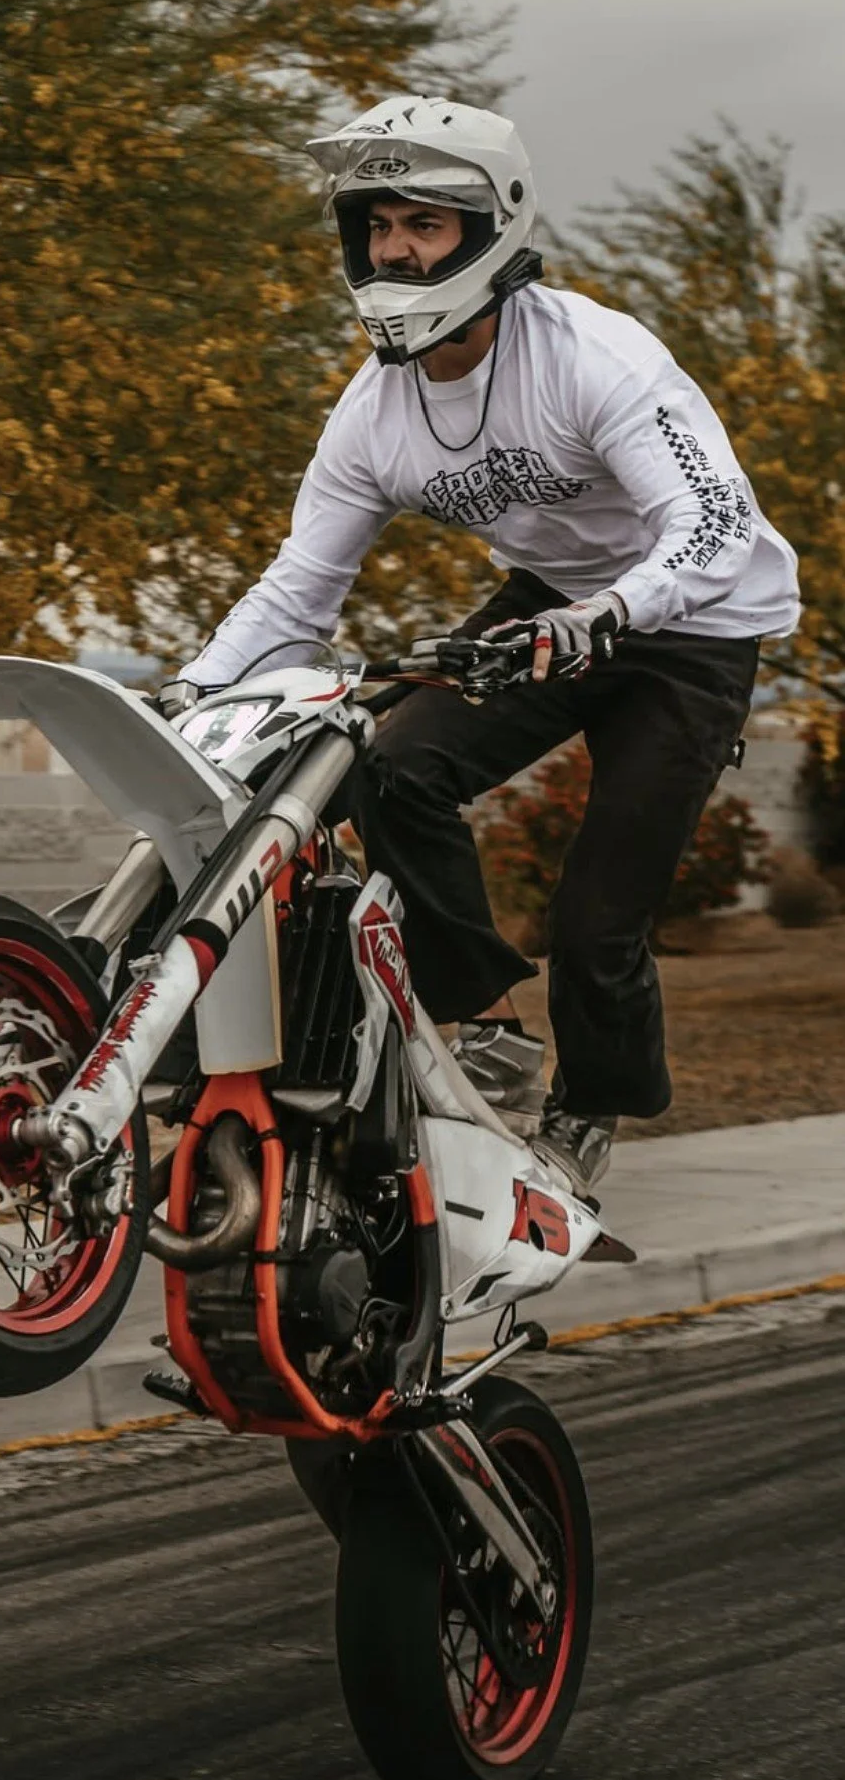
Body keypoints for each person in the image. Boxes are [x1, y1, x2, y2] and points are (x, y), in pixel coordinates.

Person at [175, 95, 800, 1196]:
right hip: (553, 601)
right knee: (388, 765)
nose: (395, 248)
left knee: (598, 919)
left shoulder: (597, 357)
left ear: (490, 228)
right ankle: (486, 1023)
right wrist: (194, 693)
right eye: (378, 224)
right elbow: (299, 588)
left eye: (426, 223)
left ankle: (589, 1107)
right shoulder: (373, 416)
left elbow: (714, 529)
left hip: (697, 625)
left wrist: (605, 616)